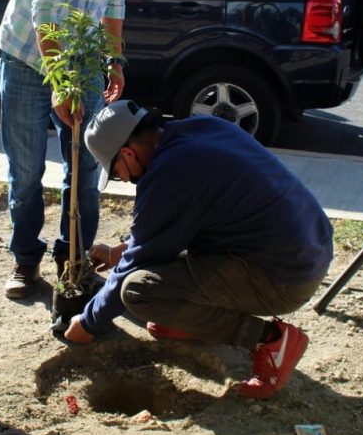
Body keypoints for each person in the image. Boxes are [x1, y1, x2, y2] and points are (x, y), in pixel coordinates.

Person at [64, 100, 334, 401]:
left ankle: (270, 340)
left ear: (127, 153)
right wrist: (118, 253)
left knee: (139, 291)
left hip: (283, 278)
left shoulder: (170, 173)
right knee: (161, 268)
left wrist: (87, 323)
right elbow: (169, 228)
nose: (124, 179)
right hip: (310, 248)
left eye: (116, 172)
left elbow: (137, 263)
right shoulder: (201, 130)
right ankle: (192, 321)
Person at [0, 0, 179, 299]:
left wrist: (113, 60)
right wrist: (60, 82)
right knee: (26, 171)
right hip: (26, 56)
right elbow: (46, 7)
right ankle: (26, 260)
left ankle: (74, 261)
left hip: (85, 60)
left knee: (87, 164)